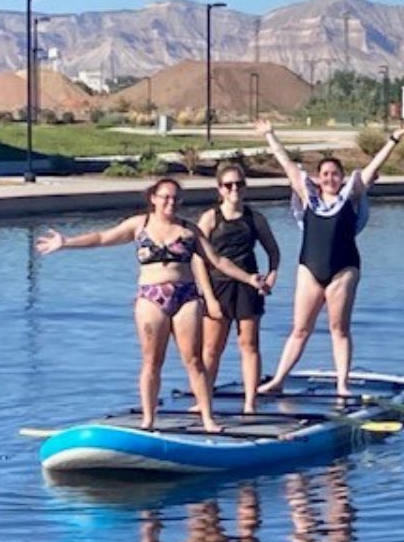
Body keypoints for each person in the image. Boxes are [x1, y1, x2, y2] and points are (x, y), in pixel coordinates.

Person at [35, 177, 268, 432]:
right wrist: (66, 243)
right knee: (151, 361)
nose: (171, 202)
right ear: (153, 198)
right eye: (165, 197)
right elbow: (103, 237)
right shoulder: (139, 225)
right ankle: (148, 418)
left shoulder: (189, 230)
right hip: (151, 297)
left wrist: (249, 279)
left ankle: (208, 418)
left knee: (194, 360)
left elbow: (218, 261)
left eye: (176, 198)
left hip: (186, 296)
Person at [255, 118, 404, 396]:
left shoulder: (351, 195)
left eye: (335, 174)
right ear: (318, 178)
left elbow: (374, 167)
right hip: (310, 269)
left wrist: (394, 139)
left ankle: (342, 384)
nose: (330, 178)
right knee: (300, 329)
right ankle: (278, 380)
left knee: (338, 328)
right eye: (325, 174)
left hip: (344, 270)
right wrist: (270, 135)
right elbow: (287, 165)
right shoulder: (308, 196)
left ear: (342, 177)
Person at [193, 163, 281, 414]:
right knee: (211, 348)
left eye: (239, 184)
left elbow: (273, 251)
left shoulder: (255, 218)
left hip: (248, 285)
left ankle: (250, 403)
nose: (234, 190)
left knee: (249, 343)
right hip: (217, 286)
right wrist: (208, 296)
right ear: (220, 189)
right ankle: (203, 400)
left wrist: (272, 275)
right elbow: (199, 259)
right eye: (229, 185)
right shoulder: (210, 218)